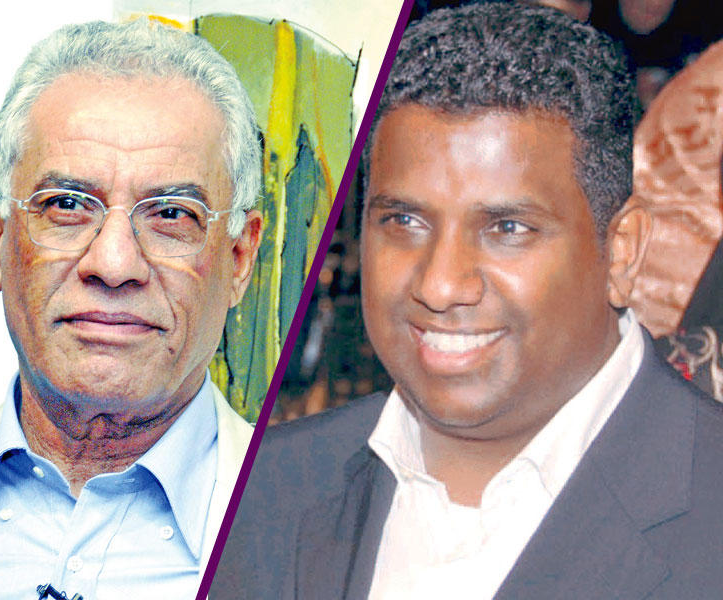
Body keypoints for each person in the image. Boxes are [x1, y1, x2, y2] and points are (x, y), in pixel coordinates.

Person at [211, 3, 723, 598]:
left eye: (507, 228)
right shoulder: (248, 494)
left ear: (624, 253)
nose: (440, 284)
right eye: (404, 221)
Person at [0, 19, 263, 600]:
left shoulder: (325, 536)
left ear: (239, 259)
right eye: (67, 204)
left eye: (171, 214)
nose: (113, 263)